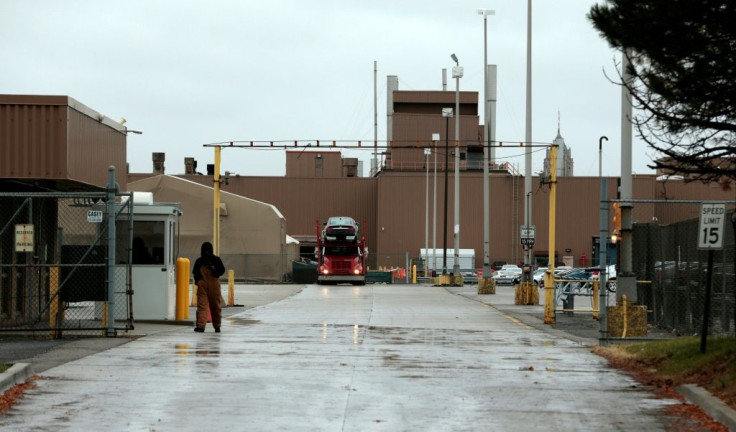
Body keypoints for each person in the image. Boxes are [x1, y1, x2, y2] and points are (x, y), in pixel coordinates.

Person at [192, 241, 226, 333]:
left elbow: (195, 273)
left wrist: (198, 281)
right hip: (214, 285)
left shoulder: (199, 261)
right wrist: (214, 269)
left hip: (202, 285)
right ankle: (217, 326)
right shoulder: (216, 260)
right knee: (216, 307)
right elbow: (222, 270)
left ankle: (201, 326)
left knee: (202, 306)